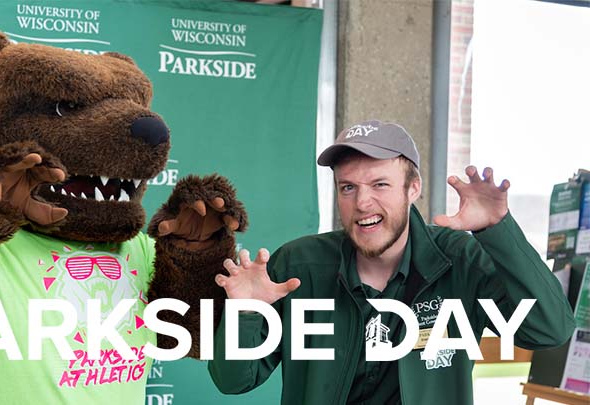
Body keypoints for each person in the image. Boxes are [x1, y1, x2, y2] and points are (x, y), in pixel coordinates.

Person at [207, 120, 575, 404]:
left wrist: (498, 231)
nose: (362, 202)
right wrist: (245, 314)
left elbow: (549, 330)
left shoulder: (459, 261)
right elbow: (234, 381)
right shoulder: (299, 267)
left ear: (412, 188)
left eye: (380, 185)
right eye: (348, 187)